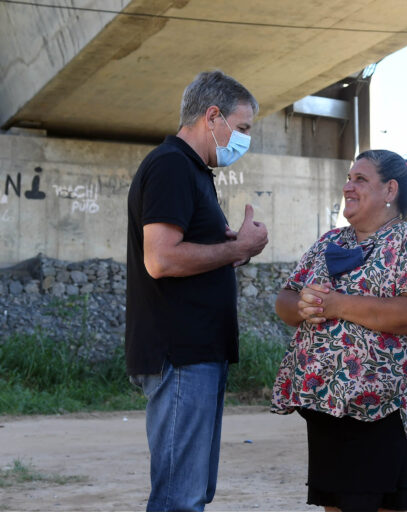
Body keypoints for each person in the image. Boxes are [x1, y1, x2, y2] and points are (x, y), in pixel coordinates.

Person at [125, 70, 268, 512]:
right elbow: (161, 259)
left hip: (197, 353)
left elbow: (183, 250)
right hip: (181, 354)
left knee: (192, 493)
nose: (244, 139)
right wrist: (237, 248)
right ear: (213, 117)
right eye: (242, 128)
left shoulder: (193, 171)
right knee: (178, 499)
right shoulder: (171, 166)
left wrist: (230, 248)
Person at [270, 149, 407, 512]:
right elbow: (285, 299)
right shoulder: (329, 242)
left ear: (390, 189)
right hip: (325, 402)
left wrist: (336, 304)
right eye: (349, 178)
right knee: (335, 504)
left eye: (360, 179)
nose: (348, 186)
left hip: (380, 409)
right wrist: (302, 305)